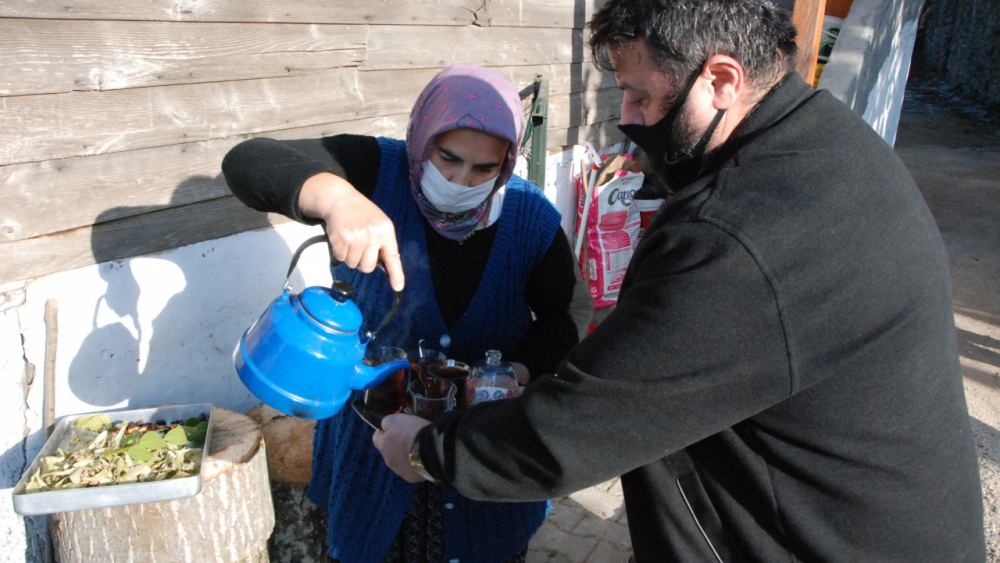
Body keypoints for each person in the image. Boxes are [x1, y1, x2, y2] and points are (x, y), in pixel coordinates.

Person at [372, 1, 988, 561]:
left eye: (639, 97)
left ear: (720, 81)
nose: (628, 119)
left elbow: (586, 425)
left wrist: (430, 452)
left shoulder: (741, 236)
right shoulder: (820, 141)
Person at [223, 66, 591, 563]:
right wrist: (336, 198)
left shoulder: (530, 217)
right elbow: (247, 161)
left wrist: (514, 373)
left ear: (508, 161)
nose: (461, 181)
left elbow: (566, 313)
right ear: (423, 137)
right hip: (371, 449)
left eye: (485, 169)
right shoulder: (375, 169)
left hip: (478, 449)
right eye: (448, 158)